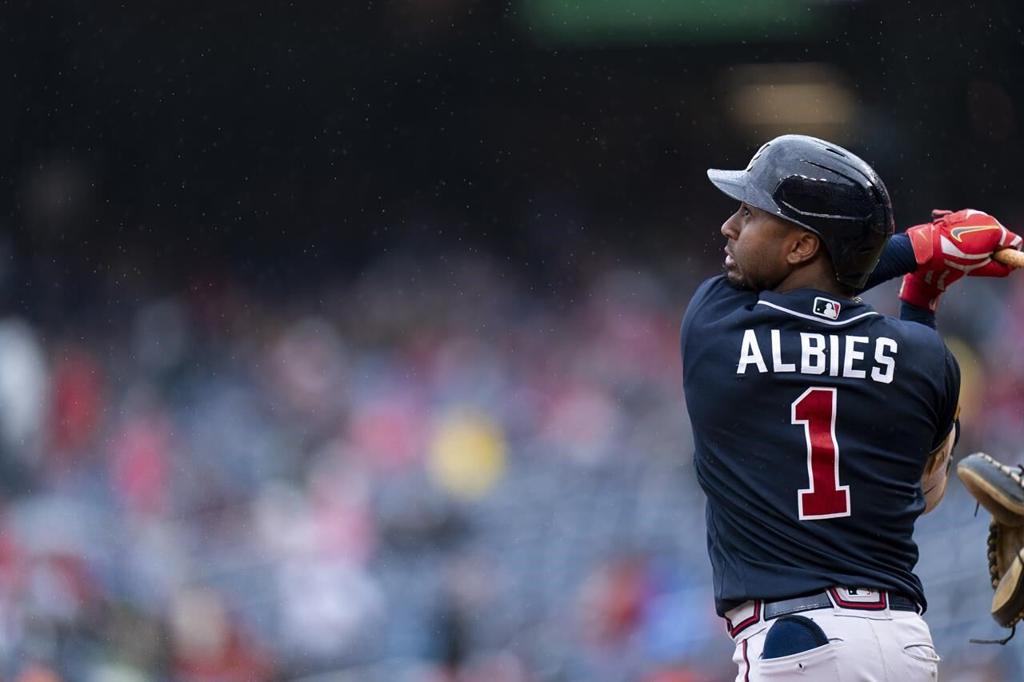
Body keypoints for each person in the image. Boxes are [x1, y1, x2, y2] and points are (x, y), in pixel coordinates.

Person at [680, 134, 1022, 680]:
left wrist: (921, 247)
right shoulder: (925, 355)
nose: (730, 225)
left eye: (750, 211)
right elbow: (926, 494)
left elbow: (818, 296)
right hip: (904, 643)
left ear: (800, 247)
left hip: (796, 642)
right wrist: (920, 301)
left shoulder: (715, 322)